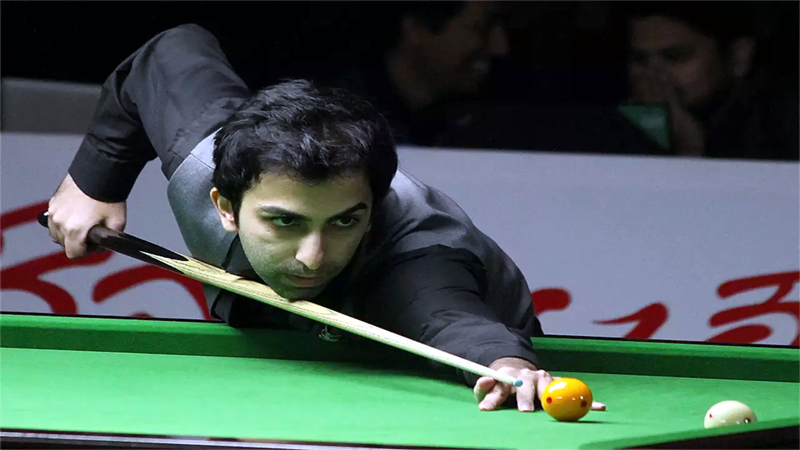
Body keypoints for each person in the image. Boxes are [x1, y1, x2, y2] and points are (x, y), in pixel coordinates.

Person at [44, 24, 605, 413]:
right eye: (285, 222)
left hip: (416, 359)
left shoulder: (417, 259)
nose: (312, 256)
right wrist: (94, 183)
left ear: (373, 208)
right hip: (274, 345)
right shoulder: (202, 161)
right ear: (225, 207)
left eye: (342, 222)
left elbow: (449, 318)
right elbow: (169, 52)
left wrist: (508, 365)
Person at [622, 2, 799, 160]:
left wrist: (690, 152)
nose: (651, 75)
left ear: (738, 57)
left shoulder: (783, 126)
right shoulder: (621, 124)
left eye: (675, 57)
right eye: (639, 59)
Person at [331, 0, 510, 145]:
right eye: (481, 29)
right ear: (416, 29)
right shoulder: (340, 122)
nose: (500, 48)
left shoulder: (474, 117)